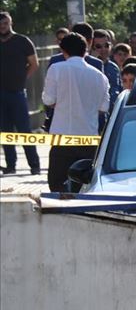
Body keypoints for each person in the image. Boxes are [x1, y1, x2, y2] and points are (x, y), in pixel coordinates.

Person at [42, 32, 109, 192]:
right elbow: (104, 107)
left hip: (62, 138)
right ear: (86, 50)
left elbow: (48, 100)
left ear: (63, 51)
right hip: (88, 139)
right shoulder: (100, 76)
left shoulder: (56, 69)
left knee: (57, 184)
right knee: (84, 186)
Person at [0, 11, 41, 175]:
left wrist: (22, 78)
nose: (2, 27)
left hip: (17, 92)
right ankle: (10, 166)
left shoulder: (22, 41)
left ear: (10, 23)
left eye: (5, 24)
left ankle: (35, 166)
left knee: (24, 131)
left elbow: (34, 64)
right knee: (5, 131)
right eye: (0, 25)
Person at [91, 29, 122, 113]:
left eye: (106, 45)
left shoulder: (114, 67)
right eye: (98, 46)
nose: (103, 49)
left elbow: (117, 90)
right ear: (92, 47)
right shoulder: (88, 67)